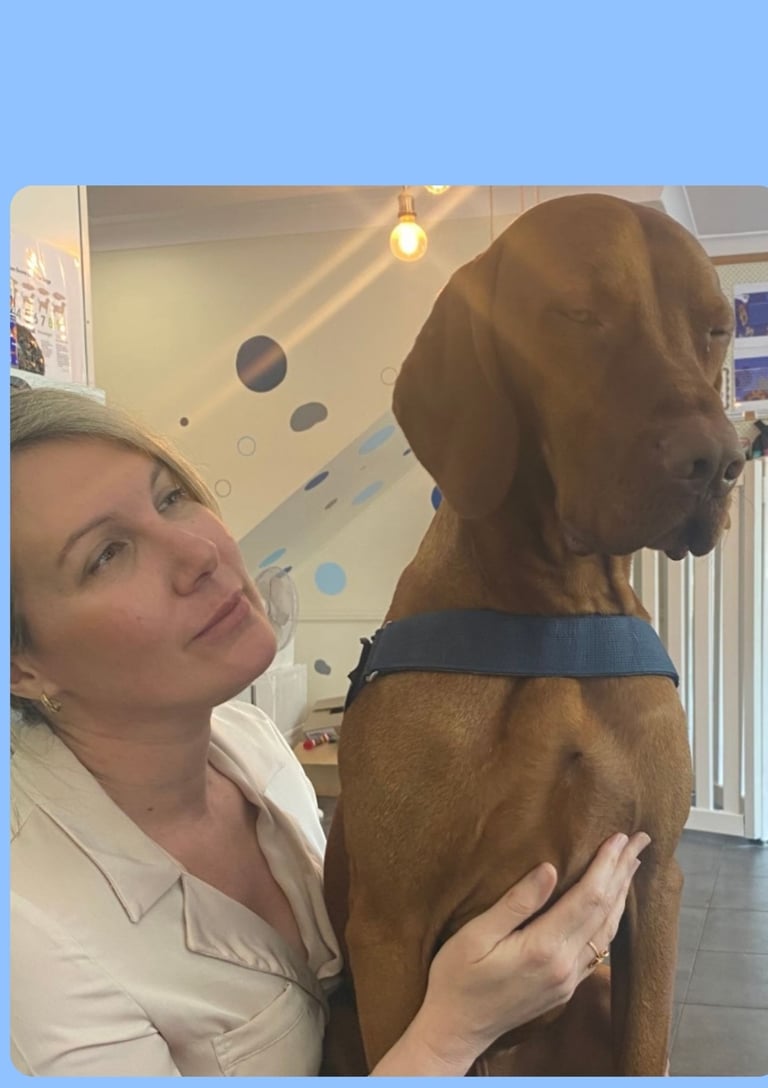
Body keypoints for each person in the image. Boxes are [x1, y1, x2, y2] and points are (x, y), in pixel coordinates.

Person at [10, 387, 650, 1076]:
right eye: (107, 554)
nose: (198, 552)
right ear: (21, 666)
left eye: (170, 497)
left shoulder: (251, 741)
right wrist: (453, 1033)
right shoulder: (28, 931)